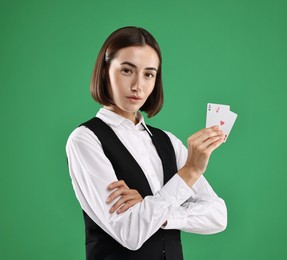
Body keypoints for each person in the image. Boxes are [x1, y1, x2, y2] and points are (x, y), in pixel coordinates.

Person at [66, 26, 227, 260]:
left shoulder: (169, 142)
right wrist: (190, 171)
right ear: (104, 71)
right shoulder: (85, 139)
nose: (138, 86)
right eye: (127, 71)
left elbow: (218, 216)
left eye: (149, 74)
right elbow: (130, 233)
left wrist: (159, 212)